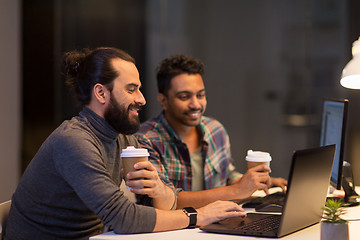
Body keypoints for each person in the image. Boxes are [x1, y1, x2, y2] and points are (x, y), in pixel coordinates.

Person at [4, 48, 246, 240]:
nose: (141, 99)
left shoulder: (123, 136)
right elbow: (124, 218)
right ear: (101, 93)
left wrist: (159, 190)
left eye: (139, 89)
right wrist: (198, 216)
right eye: (131, 90)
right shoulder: (74, 141)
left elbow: (159, 204)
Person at [136, 54, 288, 209]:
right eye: (184, 97)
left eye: (200, 95)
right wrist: (237, 190)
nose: (195, 104)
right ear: (163, 101)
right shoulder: (145, 140)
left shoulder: (215, 130)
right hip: (173, 229)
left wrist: (254, 182)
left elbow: (227, 177)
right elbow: (165, 201)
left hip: (216, 225)